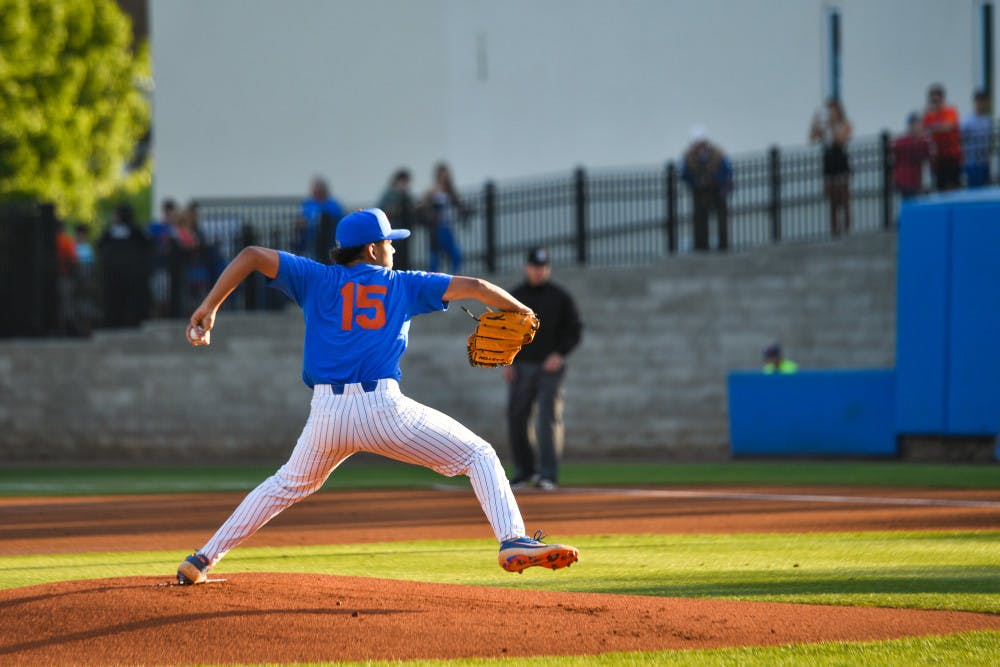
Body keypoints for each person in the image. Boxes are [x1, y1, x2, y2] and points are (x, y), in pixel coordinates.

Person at [175, 208, 579, 584]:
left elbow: (250, 254)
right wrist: (523, 310)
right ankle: (513, 539)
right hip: (383, 410)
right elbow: (476, 287)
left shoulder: (315, 277)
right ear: (372, 248)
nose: (394, 247)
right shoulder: (402, 282)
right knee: (479, 455)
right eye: (389, 241)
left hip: (326, 415)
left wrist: (209, 308)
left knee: (284, 485)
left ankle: (203, 558)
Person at [504, 247, 583, 491]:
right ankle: (524, 472)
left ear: (547, 268)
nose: (538, 271)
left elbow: (574, 330)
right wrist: (507, 361)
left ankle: (547, 475)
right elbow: (502, 331)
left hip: (550, 367)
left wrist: (559, 355)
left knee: (547, 420)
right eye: (534, 267)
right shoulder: (514, 297)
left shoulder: (560, 297)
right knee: (516, 418)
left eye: (542, 267)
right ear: (526, 267)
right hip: (522, 366)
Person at [97, 204, 151, 328]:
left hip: (120, 275)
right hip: (125, 274)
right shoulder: (135, 231)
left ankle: (120, 321)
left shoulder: (129, 231)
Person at [680, 126, 733, 251]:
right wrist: (696, 182)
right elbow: (684, 174)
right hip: (700, 192)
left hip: (717, 190)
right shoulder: (688, 158)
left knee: (721, 218)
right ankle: (701, 246)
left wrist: (717, 180)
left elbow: (726, 170)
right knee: (700, 219)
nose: (699, 147)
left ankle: (723, 245)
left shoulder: (717, 155)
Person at [809, 98, 853, 238]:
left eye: (833, 110)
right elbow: (812, 138)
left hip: (841, 166)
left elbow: (841, 140)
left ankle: (847, 228)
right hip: (829, 167)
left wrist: (833, 126)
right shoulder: (825, 127)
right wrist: (815, 123)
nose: (830, 113)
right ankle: (835, 230)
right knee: (832, 202)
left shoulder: (844, 124)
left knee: (844, 200)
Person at [419, 162, 470, 272]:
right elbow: (423, 206)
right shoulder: (432, 190)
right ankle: (434, 279)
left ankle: (452, 277)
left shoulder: (450, 190)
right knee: (435, 256)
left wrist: (465, 211)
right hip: (437, 227)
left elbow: (458, 204)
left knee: (454, 255)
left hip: (446, 226)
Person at [922, 83, 962, 192]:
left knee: (953, 186)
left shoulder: (950, 111)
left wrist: (933, 127)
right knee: (940, 187)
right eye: (932, 100)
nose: (935, 103)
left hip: (952, 155)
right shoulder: (929, 116)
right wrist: (927, 112)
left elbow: (949, 126)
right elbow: (922, 130)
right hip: (938, 159)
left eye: (937, 99)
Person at [297, 176, 344, 261]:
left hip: (328, 242)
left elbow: (337, 219)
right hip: (310, 241)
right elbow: (301, 219)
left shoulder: (333, 205)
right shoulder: (308, 203)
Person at [377, 168, 416, 270]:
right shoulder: (389, 195)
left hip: (404, 233)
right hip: (393, 231)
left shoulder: (406, 196)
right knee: (395, 259)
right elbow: (382, 210)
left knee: (404, 261)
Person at [148, 198, 179, 318]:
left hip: (172, 267)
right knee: (160, 295)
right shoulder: (156, 227)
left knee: (169, 295)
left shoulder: (177, 228)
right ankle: (160, 316)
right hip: (160, 267)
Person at [892, 112, 932, 201]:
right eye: (916, 124)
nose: (918, 127)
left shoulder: (922, 141)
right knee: (909, 202)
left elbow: (927, 156)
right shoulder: (902, 141)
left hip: (915, 180)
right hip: (905, 179)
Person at [961, 89, 992, 188]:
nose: (982, 104)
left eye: (984, 101)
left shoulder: (988, 120)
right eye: (979, 101)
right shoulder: (967, 121)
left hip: (985, 162)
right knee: (974, 189)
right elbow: (961, 139)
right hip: (972, 163)